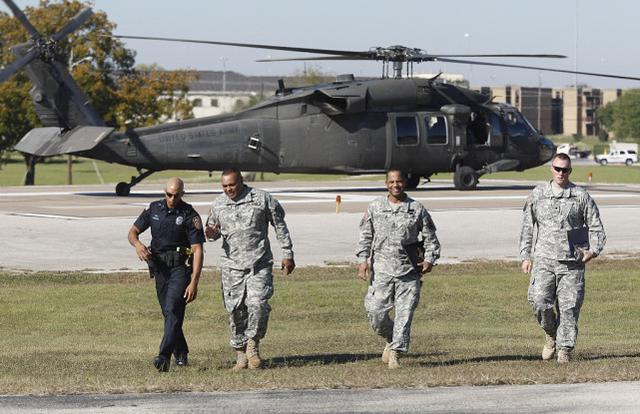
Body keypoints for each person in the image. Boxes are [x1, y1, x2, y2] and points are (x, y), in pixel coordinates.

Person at [520, 153, 606, 364]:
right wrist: (525, 256)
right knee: (539, 303)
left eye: (565, 170)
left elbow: (596, 227)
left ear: (570, 171)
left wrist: (593, 251)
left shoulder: (580, 196)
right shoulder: (538, 194)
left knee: (569, 309)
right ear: (551, 169)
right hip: (544, 262)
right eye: (557, 169)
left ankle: (564, 351)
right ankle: (551, 336)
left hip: (572, 265)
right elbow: (527, 228)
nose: (561, 173)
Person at [205, 168, 295, 370]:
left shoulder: (261, 199)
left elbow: (279, 225)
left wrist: (287, 254)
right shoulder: (218, 204)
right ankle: (240, 353)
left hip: (259, 264)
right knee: (235, 311)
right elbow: (212, 232)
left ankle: (252, 345)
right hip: (232, 267)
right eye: (225, 186)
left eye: (232, 185)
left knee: (258, 304)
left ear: (241, 182)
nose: (229, 189)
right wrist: (211, 233)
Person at [356, 170, 441, 369]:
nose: (396, 185)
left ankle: (395, 354)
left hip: (408, 272)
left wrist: (429, 260)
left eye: (399, 181)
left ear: (405, 183)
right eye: (392, 182)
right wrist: (362, 261)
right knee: (375, 313)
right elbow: (365, 236)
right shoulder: (375, 207)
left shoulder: (416, 209)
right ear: (386, 184)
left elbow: (431, 239)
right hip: (382, 271)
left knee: (404, 316)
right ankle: (390, 338)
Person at [128, 177, 205, 372]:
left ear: (182, 194)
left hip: (180, 268)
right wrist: (138, 245)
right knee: (169, 313)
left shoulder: (190, 215)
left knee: (172, 310)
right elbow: (132, 232)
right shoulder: (154, 209)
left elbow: (197, 250)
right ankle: (182, 353)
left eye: (176, 195)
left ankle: (164, 356)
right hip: (160, 268)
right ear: (164, 192)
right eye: (168, 194)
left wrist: (194, 282)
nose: (172, 198)